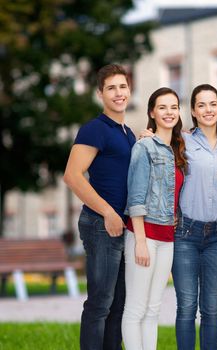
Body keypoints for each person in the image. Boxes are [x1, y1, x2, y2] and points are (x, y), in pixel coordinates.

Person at [63, 64, 136, 350]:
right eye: (111, 88)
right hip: (100, 224)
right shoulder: (94, 129)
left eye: (122, 86)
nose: (118, 93)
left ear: (129, 90)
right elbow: (72, 176)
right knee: (100, 304)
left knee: (118, 304)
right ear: (100, 94)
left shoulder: (127, 133)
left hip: (121, 226)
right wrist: (107, 212)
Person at [121, 87, 187, 350]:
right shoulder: (144, 147)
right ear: (152, 112)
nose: (169, 112)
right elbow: (135, 197)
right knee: (136, 307)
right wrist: (139, 241)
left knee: (153, 308)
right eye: (162, 107)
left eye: (173, 107)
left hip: (167, 238)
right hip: (144, 236)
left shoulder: (178, 151)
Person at [173, 84, 217, 350]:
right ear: (194, 112)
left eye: (213, 104)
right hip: (185, 234)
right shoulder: (182, 141)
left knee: (211, 309)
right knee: (186, 307)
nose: (208, 110)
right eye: (201, 105)